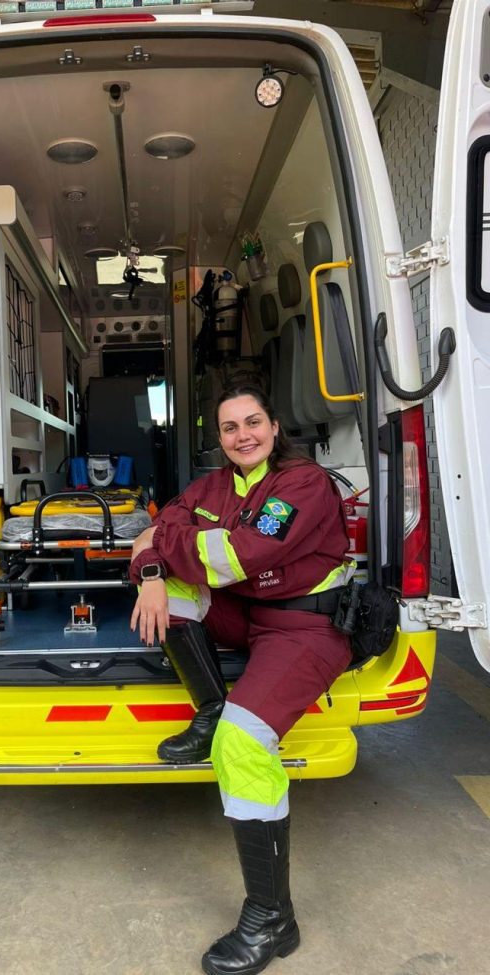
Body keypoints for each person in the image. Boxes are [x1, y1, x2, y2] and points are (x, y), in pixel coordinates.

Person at [127, 383, 354, 975]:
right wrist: (153, 568)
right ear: (220, 438)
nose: (243, 435)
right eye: (230, 428)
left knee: (243, 744)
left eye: (253, 422)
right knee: (167, 595)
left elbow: (243, 554)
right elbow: (154, 531)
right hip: (249, 615)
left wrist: (162, 543)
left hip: (305, 629)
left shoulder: (302, 484)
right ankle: (208, 712)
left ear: (275, 427)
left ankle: (273, 917)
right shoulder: (214, 486)